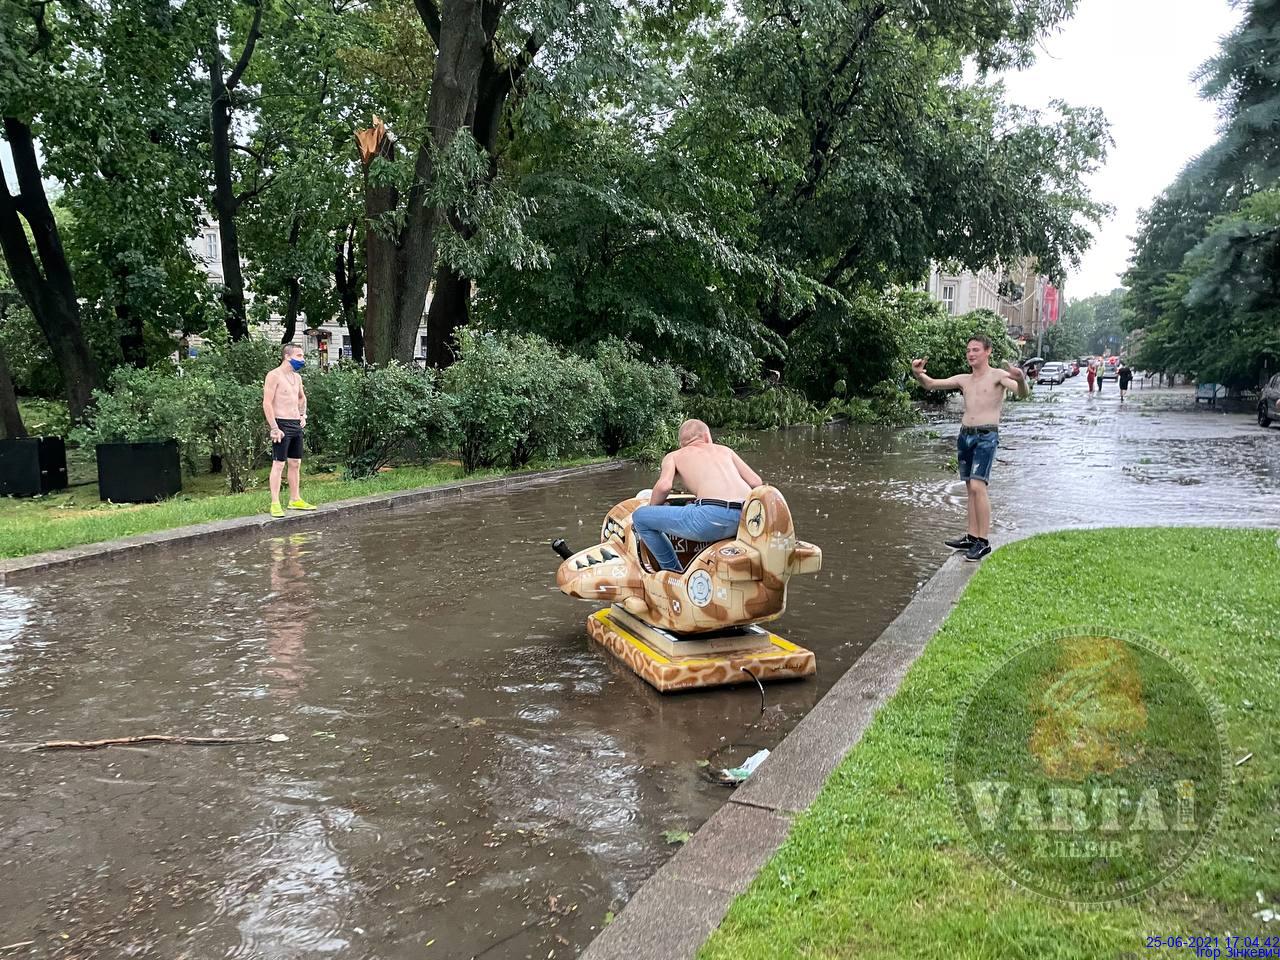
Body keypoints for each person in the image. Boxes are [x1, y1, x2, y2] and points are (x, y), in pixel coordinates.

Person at [910, 335, 1029, 562]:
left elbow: (1022, 393)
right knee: (969, 487)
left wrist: (1021, 379)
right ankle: (972, 536)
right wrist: (918, 374)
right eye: (968, 350)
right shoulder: (965, 379)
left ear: (988, 352)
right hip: (965, 435)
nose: (971, 354)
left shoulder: (998, 376)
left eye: (975, 350)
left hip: (986, 435)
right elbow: (932, 384)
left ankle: (983, 541)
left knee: (978, 485)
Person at [630, 419, 762, 572]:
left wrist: (652, 511)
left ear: (681, 444)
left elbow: (664, 486)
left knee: (640, 518)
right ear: (707, 437)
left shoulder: (674, 455)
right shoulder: (725, 450)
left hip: (710, 519)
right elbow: (756, 482)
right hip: (746, 518)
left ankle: (672, 573)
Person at [263, 344, 317, 517]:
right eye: (299, 356)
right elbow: (267, 402)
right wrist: (274, 427)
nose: (303, 359)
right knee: (279, 464)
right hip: (281, 424)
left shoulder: (297, 378)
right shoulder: (274, 376)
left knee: (295, 463)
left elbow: (302, 397)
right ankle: (275, 503)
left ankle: (295, 499)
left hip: (295, 424)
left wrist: (303, 415)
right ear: (287, 356)